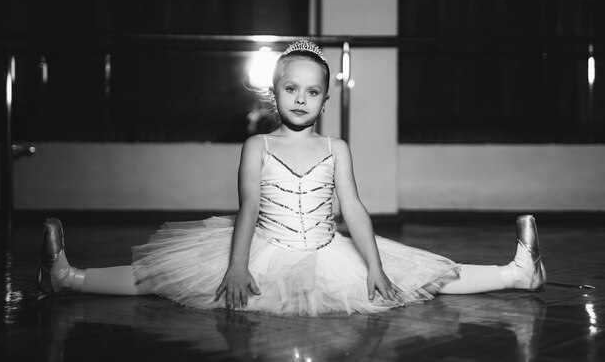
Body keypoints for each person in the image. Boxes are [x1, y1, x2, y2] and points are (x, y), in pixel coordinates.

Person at [37, 40, 546, 316]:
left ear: (326, 98)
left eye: (312, 91)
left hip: (329, 250)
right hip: (265, 246)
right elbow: (249, 209)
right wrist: (237, 266)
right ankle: (69, 276)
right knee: (161, 278)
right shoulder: (257, 146)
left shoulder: (336, 148)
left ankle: (517, 272)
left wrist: (373, 264)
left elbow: (354, 209)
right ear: (274, 94)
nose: (301, 98)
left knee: (423, 277)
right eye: (290, 89)